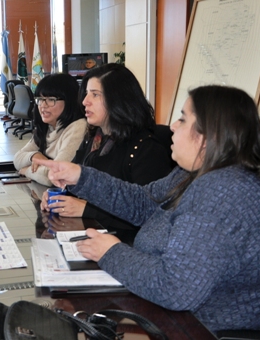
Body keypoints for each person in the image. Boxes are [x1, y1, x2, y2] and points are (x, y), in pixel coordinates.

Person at [36, 85, 260, 333]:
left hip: (209, 328)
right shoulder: (197, 172)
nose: (172, 127)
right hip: (187, 314)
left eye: (183, 119)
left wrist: (111, 252)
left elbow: (175, 288)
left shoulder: (222, 192)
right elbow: (143, 204)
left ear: (208, 136)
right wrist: (80, 177)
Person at [40, 64, 173, 226]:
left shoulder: (147, 149)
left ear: (118, 99)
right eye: (86, 93)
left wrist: (87, 210)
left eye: (95, 95)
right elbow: (76, 180)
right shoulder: (95, 137)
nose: (85, 102)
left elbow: (149, 215)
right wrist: (58, 194)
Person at [13, 73, 87, 186]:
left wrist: (26, 171)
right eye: (40, 99)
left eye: (51, 99)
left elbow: (54, 176)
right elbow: (17, 159)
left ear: (69, 101)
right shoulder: (48, 126)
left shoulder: (78, 126)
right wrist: (34, 156)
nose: (43, 105)